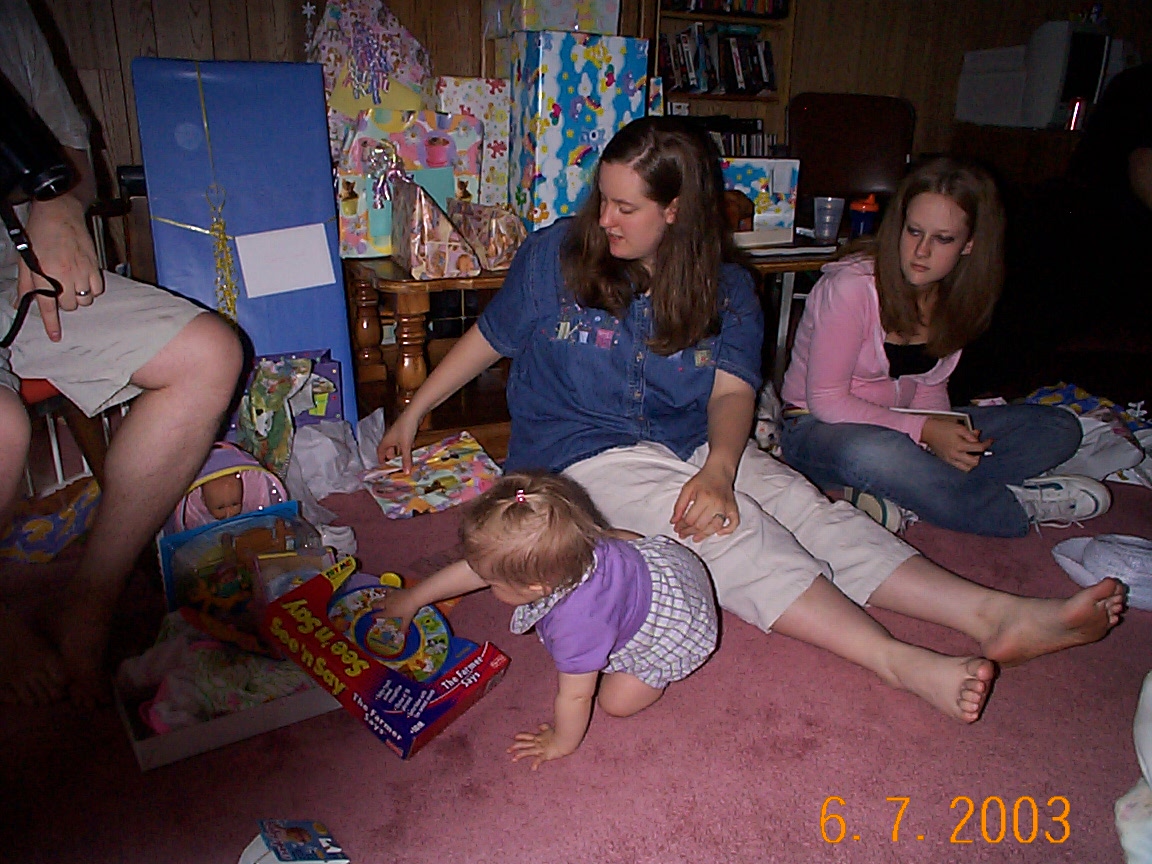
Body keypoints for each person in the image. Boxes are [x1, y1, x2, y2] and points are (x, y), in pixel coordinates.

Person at [379, 116, 1125, 724]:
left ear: (676, 210)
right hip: (578, 459)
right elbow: (490, 338)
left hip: (689, 439)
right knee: (730, 534)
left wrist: (719, 468)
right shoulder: (554, 256)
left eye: (626, 208)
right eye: (601, 198)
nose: (603, 219)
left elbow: (733, 394)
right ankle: (900, 662)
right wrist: (416, 410)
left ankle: (993, 612)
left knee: (808, 512)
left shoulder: (729, 287)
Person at [0, 0, 243, 706]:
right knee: (3, 426)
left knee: (209, 353)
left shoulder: (12, 16)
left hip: (16, 266)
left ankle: (90, 600)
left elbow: (71, 155)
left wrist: (58, 205)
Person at [777, 157, 1110, 537]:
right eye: (913, 232)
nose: (921, 251)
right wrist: (925, 431)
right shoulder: (852, 286)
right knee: (878, 453)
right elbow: (826, 400)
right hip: (818, 428)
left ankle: (911, 492)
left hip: (904, 426)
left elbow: (930, 387)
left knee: (1057, 427)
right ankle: (1014, 508)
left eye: (943, 239)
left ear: (969, 244)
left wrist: (944, 436)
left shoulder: (958, 297)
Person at [377, 472, 718, 770]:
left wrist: (560, 742)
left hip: (679, 625)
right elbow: (473, 570)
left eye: (493, 583)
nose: (484, 583)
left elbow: (576, 697)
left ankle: (653, 674)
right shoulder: (571, 545)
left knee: (616, 703)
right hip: (666, 564)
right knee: (612, 536)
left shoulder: (576, 627)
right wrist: (414, 598)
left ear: (536, 588)